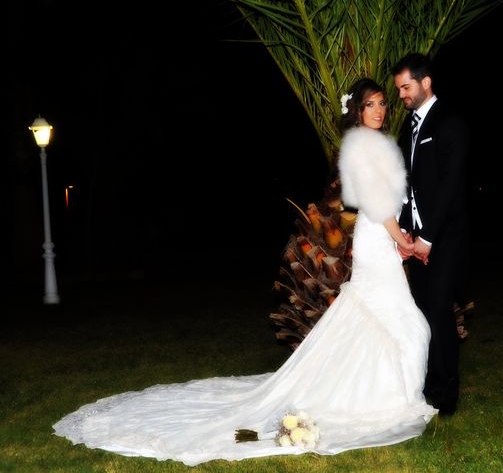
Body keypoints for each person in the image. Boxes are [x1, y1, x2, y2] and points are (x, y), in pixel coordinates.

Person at [52, 78, 437, 466]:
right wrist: (401, 240)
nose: (379, 109)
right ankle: (381, 399)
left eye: (383, 103)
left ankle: (380, 394)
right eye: (370, 104)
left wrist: (399, 236)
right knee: (401, 322)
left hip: (380, 240)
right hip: (377, 239)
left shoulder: (373, 144)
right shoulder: (363, 147)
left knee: (398, 321)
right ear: (356, 110)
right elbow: (375, 201)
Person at [392, 53, 470, 416]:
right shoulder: (408, 126)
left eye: (406, 87)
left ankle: (447, 394)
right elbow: (409, 183)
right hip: (418, 237)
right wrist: (407, 228)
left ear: (426, 82)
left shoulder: (450, 122)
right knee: (423, 311)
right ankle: (428, 383)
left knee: (439, 310)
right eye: (399, 89)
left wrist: (428, 238)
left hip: (446, 237)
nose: (402, 95)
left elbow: (450, 187)